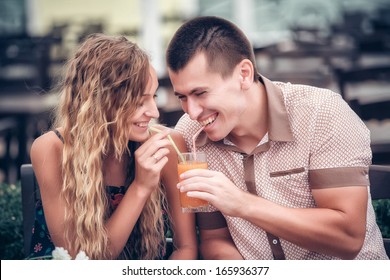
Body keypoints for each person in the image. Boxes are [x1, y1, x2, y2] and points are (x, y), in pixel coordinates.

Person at [166, 16, 388, 260]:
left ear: (243, 74)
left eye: (200, 93)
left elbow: (348, 238)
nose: (192, 111)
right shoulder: (189, 133)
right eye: (182, 97)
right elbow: (215, 240)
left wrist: (243, 204)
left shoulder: (322, 113)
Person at [29, 33, 198, 260]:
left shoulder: (166, 145)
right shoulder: (52, 150)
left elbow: (185, 248)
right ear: (100, 102)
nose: (154, 113)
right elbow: (81, 261)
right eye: (139, 102)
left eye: (153, 97)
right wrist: (140, 187)